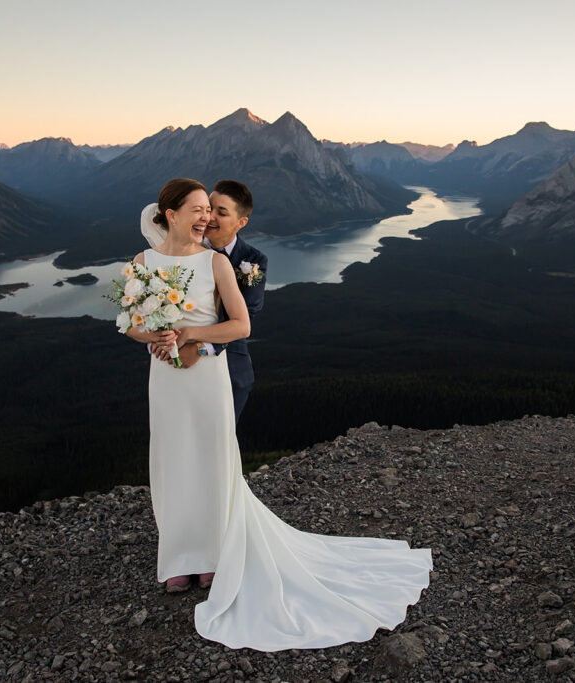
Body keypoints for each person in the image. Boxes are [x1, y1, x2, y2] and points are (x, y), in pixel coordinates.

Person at [127, 178, 433, 652]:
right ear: (169, 213)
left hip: (209, 373)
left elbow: (243, 322)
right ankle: (176, 559)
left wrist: (188, 334)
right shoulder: (143, 263)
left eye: (212, 210)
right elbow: (132, 323)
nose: (207, 217)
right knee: (170, 459)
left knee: (212, 457)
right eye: (198, 209)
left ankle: (211, 554)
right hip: (164, 377)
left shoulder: (220, 262)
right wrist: (158, 337)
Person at [150, 180, 267, 425]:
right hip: (174, 365)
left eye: (221, 212)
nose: (208, 217)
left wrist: (201, 347)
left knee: (215, 443)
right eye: (207, 208)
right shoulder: (181, 248)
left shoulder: (253, 261)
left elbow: (245, 317)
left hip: (229, 369)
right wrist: (160, 341)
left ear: (241, 222)